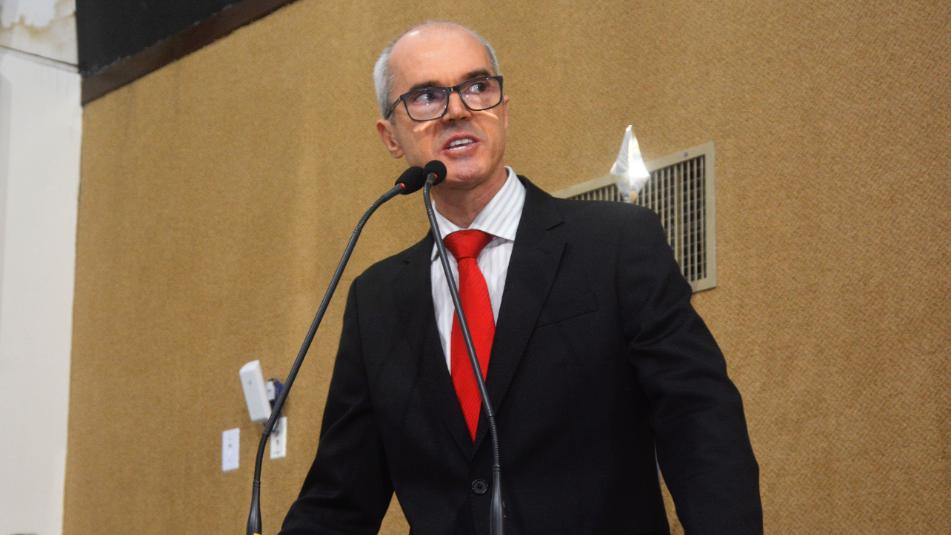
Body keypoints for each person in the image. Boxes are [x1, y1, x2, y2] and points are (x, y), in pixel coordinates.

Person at [281, 21, 761, 535]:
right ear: (390, 137)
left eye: (477, 86)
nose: (458, 110)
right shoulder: (376, 300)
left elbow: (699, 422)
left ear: (503, 109)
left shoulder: (615, 244)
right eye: (426, 96)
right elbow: (340, 497)